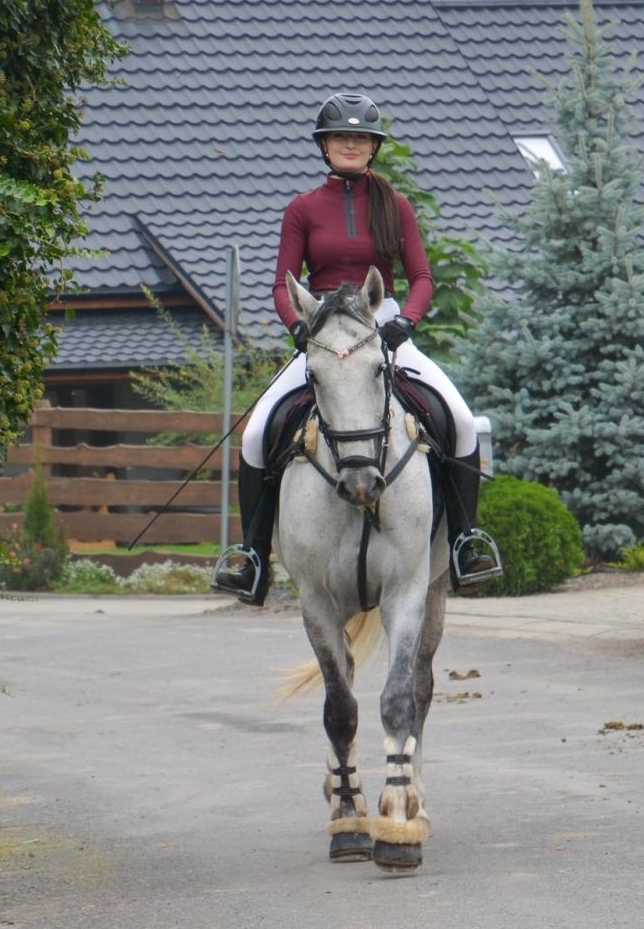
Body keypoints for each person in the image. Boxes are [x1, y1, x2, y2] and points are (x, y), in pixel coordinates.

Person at [212, 91, 502, 604]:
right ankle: (252, 555)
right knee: (257, 431)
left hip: (380, 326)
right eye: (341, 137)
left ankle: (464, 541)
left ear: (372, 148)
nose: (350, 144)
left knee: (457, 417)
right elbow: (283, 284)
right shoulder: (302, 209)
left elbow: (422, 277)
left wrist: (405, 322)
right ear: (325, 147)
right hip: (322, 331)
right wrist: (296, 327)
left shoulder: (396, 205)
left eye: (360, 138)